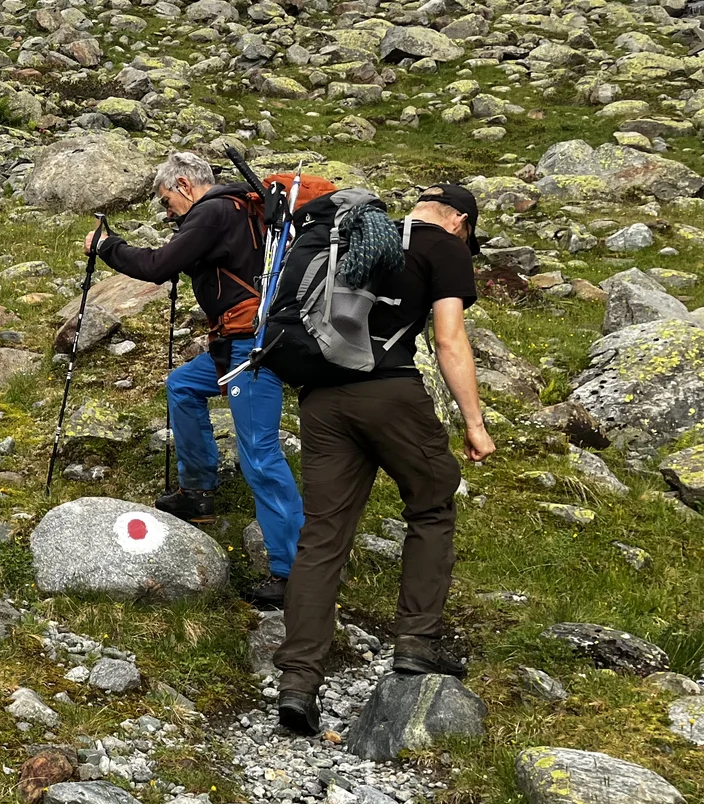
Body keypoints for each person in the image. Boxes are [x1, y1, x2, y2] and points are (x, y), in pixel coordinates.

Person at [272, 182, 495, 737]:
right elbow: (448, 341)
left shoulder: (354, 234)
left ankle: (298, 683)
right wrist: (474, 422)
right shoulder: (443, 246)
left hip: (321, 398)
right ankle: (417, 643)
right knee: (432, 500)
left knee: (322, 535)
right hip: (390, 391)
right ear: (459, 222)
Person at [81, 151, 303, 607]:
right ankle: (197, 492)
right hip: (232, 341)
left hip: (251, 346)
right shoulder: (240, 208)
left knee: (259, 452)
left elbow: (157, 266)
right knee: (183, 385)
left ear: (183, 185)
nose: (168, 213)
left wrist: (106, 246)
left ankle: (294, 571)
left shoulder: (213, 211)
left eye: (166, 202)